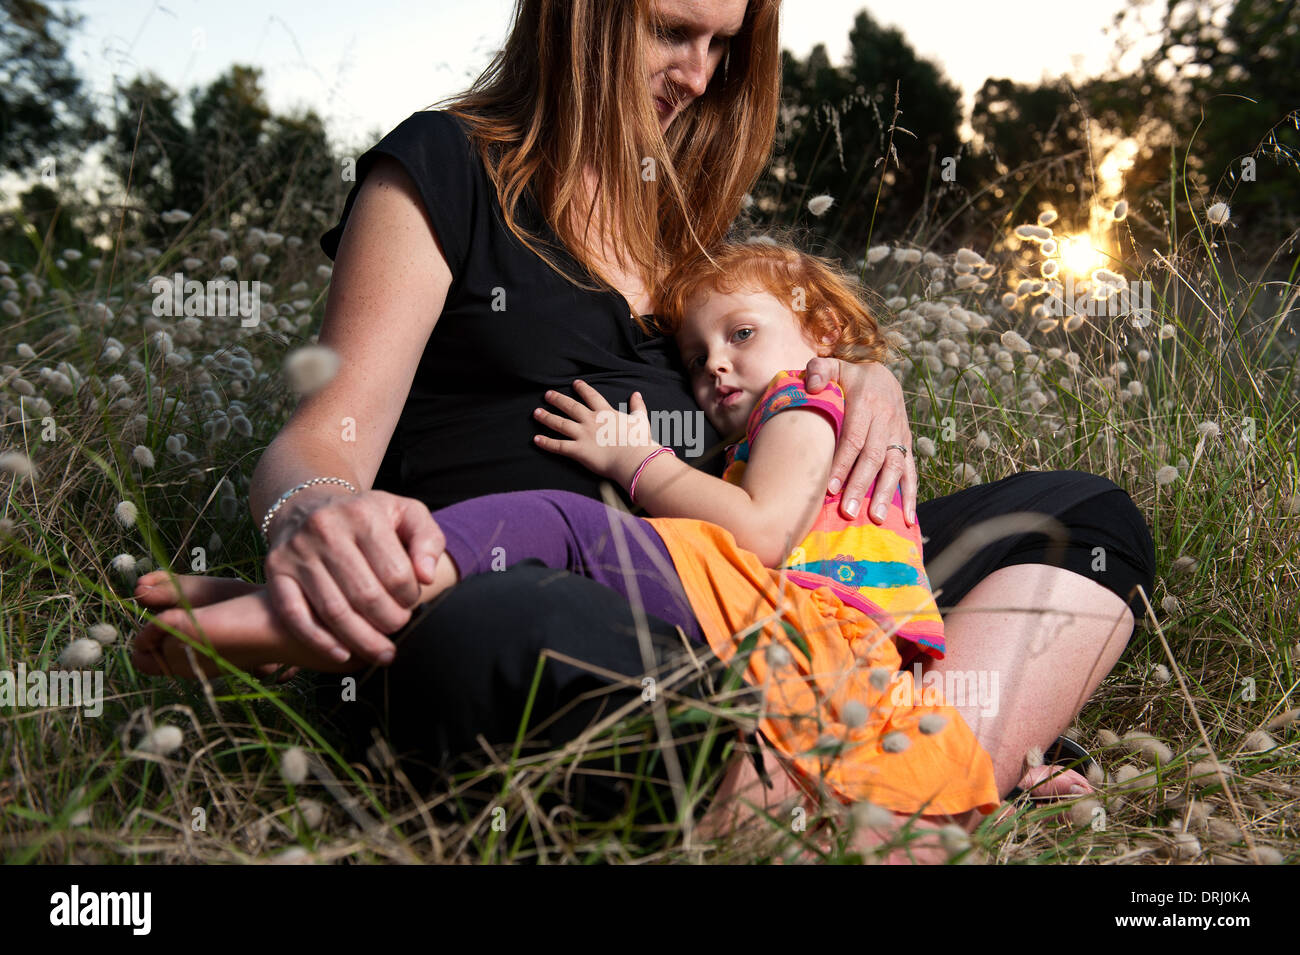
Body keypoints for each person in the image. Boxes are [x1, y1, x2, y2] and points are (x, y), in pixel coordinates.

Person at [132, 0, 1155, 846]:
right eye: (675, 32)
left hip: (750, 599)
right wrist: (314, 517)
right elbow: (325, 433)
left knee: (1081, 515)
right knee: (520, 643)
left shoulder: (680, 240)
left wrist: (857, 375)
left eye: (724, 45)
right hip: (520, 589)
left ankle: (921, 776)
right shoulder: (447, 169)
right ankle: (849, 804)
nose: (702, 76)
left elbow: (778, 372)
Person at [132, 239, 1024, 850]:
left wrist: (632, 462)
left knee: (565, 527)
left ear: (820, 334)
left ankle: (329, 603)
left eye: (741, 333)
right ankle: (335, 594)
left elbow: (757, 530)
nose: (714, 364)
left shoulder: (805, 407)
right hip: (817, 642)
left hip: (803, 621)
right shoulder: (786, 415)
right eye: (696, 351)